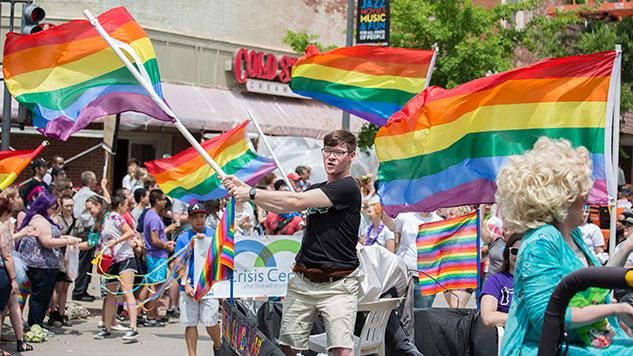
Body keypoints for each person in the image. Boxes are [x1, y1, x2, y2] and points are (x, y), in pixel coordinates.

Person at [224, 129, 361, 356]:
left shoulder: (348, 188)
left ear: (352, 156)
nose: (331, 157)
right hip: (303, 278)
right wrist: (245, 190)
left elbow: (296, 200)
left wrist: (250, 192)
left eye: (339, 152)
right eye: (328, 151)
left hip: (339, 283)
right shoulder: (315, 189)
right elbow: (281, 206)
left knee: (342, 351)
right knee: (288, 346)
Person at [498, 137, 633, 355]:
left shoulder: (575, 235)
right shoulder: (541, 242)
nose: (587, 196)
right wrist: (617, 309)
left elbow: (598, 285)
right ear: (562, 197)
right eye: (581, 189)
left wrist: (627, 246)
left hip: (591, 344)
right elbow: (547, 318)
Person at [18, 192, 81, 328]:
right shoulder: (39, 220)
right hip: (40, 265)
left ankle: (38, 324)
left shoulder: (44, 219)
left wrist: (66, 238)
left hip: (47, 264)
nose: (54, 210)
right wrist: (67, 241)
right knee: (39, 298)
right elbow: (47, 241)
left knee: (43, 297)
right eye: (52, 207)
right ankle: (35, 326)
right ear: (43, 206)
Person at [87, 194, 139, 341]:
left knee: (127, 291)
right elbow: (98, 241)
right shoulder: (103, 221)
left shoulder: (115, 217)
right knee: (110, 295)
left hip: (125, 258)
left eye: (91, 209)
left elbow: (130, 232)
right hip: (111, 261)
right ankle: (107, 327)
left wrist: (116, 241)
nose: (90, 213)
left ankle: (133, 328)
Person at [175, 203, 222, 355]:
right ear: (189, 219)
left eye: (201, 216)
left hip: (209, 285)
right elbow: (179, 263)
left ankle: (218, 344)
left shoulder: (214, 234)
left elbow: (220, 259)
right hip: (188, 286)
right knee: (190, 323)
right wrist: (185, 283)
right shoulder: (183, 238)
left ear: (206, 217)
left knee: (211, 320)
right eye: (195, 217)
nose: (199, 220)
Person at [384, 211, 443, 308]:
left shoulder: (440, 221)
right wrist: (384, 206)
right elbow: (391, 225)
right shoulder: (405, 217)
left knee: (422, 313)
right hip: (406, 274)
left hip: (427, 278)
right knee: (400, 311)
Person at [0, 197, 34, 353]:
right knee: (10, 306)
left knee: (11, 305)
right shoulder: (3, 227)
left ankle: (20, 341)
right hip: (2, 271)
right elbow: (7, 256)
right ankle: (20, 341)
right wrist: (13, 279)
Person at [139, 189, 175, 326]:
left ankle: (153, 314)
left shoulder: (150, 214)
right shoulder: (153, 218)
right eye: (163, 199)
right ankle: (149, 315)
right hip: (156, 256)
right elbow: (154, 240)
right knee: (156, 288)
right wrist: (166, 245)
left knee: (154, 286)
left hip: (155, 255)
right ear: (158, 201)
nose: (165, 201)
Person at [49, 195, 84, 327]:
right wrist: (68, 238)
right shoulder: (56, 220)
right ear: (61, 206)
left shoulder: (77, 222)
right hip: (59, 257)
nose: (69, 208)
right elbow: (53, 237)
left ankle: (62, 313)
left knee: (66, 287)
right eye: (67, 206)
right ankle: (53, 313)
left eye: (71, 205)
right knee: (57, 287)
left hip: (71, 258)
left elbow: (82, 236)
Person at [72, 171, 104, 302]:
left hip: (79, 229)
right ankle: (80, 290)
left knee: (83, 262)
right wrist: (105, 187)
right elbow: (106, 202)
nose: (96, 183)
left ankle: (81, 289)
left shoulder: (77, 195)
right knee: (85, 264)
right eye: (95, 180)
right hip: (89, 229)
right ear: (90, 181)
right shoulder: (92, 196)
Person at [480, 233, 523, 327]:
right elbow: (488, 317)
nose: (519, 256)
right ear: (507, 253)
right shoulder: (495, 281)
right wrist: (523, 319)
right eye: (515, 251)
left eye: (524, 251)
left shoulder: (538, 282)